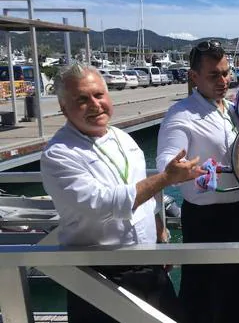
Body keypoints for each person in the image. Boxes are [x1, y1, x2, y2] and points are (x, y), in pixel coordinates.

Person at [40, 64, 203, 323]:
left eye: (99, 95)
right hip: (100, 274)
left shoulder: (122, 138)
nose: (95, 105)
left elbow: (145, 194)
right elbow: (103, 205)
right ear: (63, 108)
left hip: (149, 265)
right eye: (82, 99)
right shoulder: (59, 154)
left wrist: (160, 233)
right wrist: (165, 178)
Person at [156, 40, 239, 323]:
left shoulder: (232, 110)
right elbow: (166, 159)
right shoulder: (180, 116)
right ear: (194, 77)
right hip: (206, 220)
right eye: (214, 75)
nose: (224, 81)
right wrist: (174, 169)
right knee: (203, 299)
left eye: (226, 73)